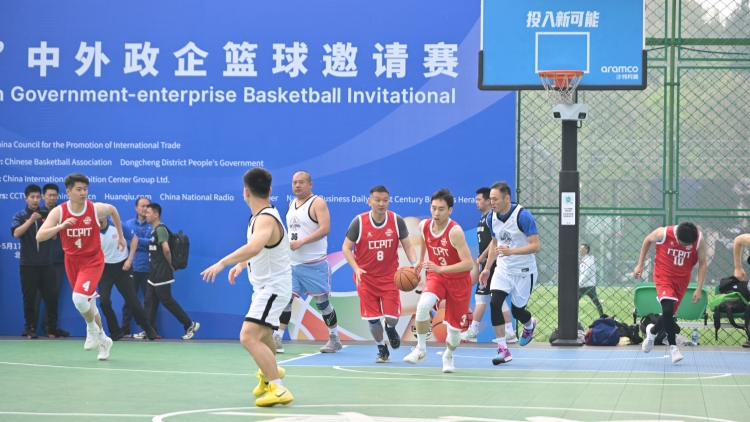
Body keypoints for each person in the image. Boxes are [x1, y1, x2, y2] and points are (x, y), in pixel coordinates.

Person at [202, 167, 294, 407]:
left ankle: (278, 388)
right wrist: (242, 264)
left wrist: (223, 262)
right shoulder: (261, 215)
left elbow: (254, 247)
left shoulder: (265, 218)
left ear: (245, 192)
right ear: (270, 190)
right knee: (263, 335)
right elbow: (262, 248)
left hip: (273, 287)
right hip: (266, 286)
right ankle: (268, 373)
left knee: (248, 336)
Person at [36, 173, 125, 360]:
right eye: (79, 189)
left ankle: (91, 329)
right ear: (68, 192)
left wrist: (121, 236)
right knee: (88, 304)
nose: (83, 192)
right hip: (72, 261)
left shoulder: (94, 208)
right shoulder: (59, 212)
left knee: (78, 298)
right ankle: (104, 339)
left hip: (93, 260)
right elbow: (40, 236)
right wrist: (60, 227)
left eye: (85, 189)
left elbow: (113, 210)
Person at [342, 185, 417, 363]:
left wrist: (414, 264)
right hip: (366, 278)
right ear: (370, 201)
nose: (381, 204)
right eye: (377, 200)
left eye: (385, 200)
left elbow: (408, 246)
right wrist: (356, 268)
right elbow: (346, 247)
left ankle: (390, 329)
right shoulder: (359, 222)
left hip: (390, 278)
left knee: (392, 318)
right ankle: (381, 348)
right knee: (373, 320)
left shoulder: (396, 220)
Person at [403, 189, 474, 373]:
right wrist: (420, 260)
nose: (436, 213)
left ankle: (448, 356)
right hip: (437, 277)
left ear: (450, 210)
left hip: (458, 281)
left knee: (454, 333)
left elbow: (468, 264)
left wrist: (441, 268)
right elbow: (425, 239)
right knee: (422, 306)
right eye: (433, 208)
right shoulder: (424, 226)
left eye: (441, 209)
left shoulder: (455, 232)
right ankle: (420, 349)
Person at [279, 170, 341, 353]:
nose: (297, 185)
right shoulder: (291, 204)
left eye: (301, 182)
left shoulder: (317, 202)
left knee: (322, 303)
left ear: (310, 184)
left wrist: (302, 242)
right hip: (293, 264)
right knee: (285, 299)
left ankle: (334, 339)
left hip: (314, 264)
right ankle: (277, 338)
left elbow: (325, 228)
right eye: (294, 182)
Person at [480, 182, 540, 365]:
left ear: (507, 198)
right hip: (503, 269)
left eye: (495, 199)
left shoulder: (523, 216)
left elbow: (535, 246)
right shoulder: (491, 217)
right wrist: (487, 268)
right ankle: (503, 349)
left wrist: (511, 251)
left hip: (524, 271)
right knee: (495, 303)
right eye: (490, 199)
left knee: (517, 311)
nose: (491, 202)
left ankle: (529, 324)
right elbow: (494, 243)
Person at [634, 222, 706, 363]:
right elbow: (647, 240)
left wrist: (699, 288)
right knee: (667, 309)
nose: (685, 247)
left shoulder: (699, 239)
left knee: (669, 314)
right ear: (677, 235)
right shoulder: (663, 233)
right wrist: (640, 264)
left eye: (688, 245)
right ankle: (673, 348)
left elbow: (703, 264)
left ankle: (652, 332)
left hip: (682, 280)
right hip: (663, 276)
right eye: (682, 244)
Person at [461, 187, 516, 343]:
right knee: (493, 298)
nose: (476, 202)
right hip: (487, 264)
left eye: (479, 200)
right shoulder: (483, 217)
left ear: (487, 201)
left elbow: (494, 241)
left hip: (492, 264)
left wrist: (484, 256)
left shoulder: (492, 217)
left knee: (483, 297)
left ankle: (474, 332)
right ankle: (509, 332)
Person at [12, 184, 67, 339]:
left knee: (52, 297)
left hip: (46, 263)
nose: (35, 200)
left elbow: (54, 237)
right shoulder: (20, 215)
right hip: (28, 264)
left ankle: (52, 326)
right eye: (32, 197)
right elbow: (16, 233)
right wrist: (30, 220)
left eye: (37, 197)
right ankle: (30, 327)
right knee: (30, 298)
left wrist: (54, 225)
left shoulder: (47, 215)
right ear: (26, 198)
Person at [141, 203, 200, 340]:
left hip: (162, 272)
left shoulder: (161, 229)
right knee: (150, 300)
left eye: (148, 212)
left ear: (156, 215)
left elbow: (166, 249)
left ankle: (189, 324)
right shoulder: (154, 230)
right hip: (154, 273)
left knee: (166, 300)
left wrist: (170, 264)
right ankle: (149, 330)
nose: (146, 214)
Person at [96, 215, 158, 341]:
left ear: (105, 216)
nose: (99, 219)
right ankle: (116, 331)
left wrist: (130, 259)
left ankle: (147, 327)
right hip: (104, 269)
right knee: (104, 302)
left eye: (101, 215)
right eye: (96, 216)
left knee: (132, 301)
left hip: (122, 267)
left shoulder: (117, 224)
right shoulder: (91, 229)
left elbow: (134, 239)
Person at [32, 183, 68, 337]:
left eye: (55, 195)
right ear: (43, 196)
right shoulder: (36, 215)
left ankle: (49, 327)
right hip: (39, 262)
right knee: (36, 296)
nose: (52, 198)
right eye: (49, 195)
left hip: (58, 261)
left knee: (53, 296)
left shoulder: (62, 213)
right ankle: (31, 327)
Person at [122, 197, 155, 338]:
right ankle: (125, 327)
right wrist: (140, 242)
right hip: (132, 267)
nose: (145, 208)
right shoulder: (128, 224)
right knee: (129, 299)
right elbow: (127, 242)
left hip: (148, 267)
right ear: (136, 208)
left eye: (148, 206)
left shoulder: (152, 225)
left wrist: (135, 239)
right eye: (142, 206)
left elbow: (152, 243)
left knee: (149, 300)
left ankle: (150, 328)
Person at [578, 243, 604, 316]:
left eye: (582, 249)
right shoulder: (583, 260)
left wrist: (579, 283)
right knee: (574, 301)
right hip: (582, 286)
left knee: (596, 302)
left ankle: (602, 317)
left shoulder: (589, 260)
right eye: (580, 248)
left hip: (589, 286)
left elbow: (587, 273)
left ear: (586, 250)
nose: (580, 250)